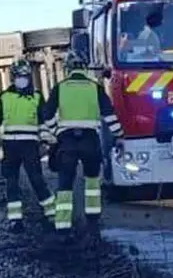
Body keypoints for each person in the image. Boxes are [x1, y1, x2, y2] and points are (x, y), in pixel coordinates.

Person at [41, 50, 123, 233]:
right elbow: (109, 116)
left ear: (67, 69)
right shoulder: (95, 87)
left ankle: (63, 226)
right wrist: (119, 135)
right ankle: (93, 221)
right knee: (92, 181)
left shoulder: (60, 87)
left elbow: (46, 114)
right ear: (85, 68)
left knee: (65, 184)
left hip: (67, 141)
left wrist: (56, 132)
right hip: (90, 140)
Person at [0, 59, 55, 233]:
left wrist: (45, 142)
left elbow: (43, 123)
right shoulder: (4, 97)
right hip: (10, 147)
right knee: (11, 183)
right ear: (12, 77)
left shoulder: (37, 97)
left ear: (29, 77)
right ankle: (15, 221)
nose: (21, 79)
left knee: (37, 181)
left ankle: (52, 215)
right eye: (18, 76)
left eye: (24, 76)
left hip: (30, 146)